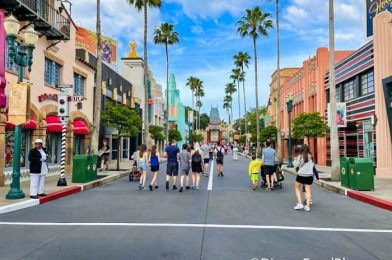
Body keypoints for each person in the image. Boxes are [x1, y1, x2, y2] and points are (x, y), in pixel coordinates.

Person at [293, 144, 314, 212]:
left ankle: (300, 203)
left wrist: (295, 159)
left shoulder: (300, 156)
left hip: (301, 175)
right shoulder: (311, 156)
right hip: (309, 175)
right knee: (308, 190)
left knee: (297, 188)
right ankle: (307, 206)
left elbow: (295, 165)